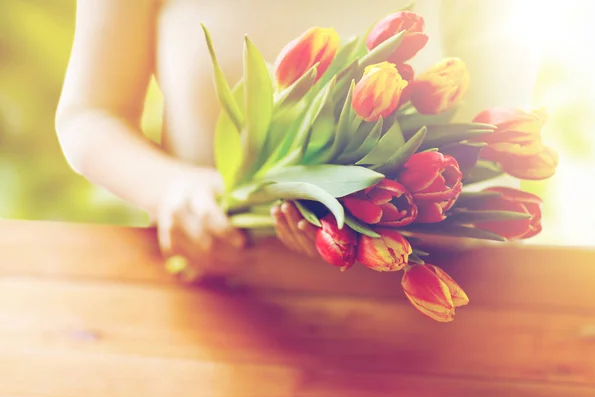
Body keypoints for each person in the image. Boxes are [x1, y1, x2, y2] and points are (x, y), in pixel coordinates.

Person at [55, 0, 540, 280]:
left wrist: (364, 225)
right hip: (216, 299)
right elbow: (90, 115)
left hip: (404, 314)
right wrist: (173, 190)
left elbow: (487, 157)